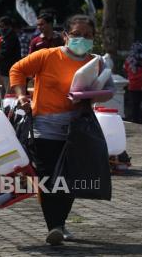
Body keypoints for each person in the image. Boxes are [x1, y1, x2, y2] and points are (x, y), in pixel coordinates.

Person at [10, 14, 115, 245]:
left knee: (70, 178)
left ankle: (61, 222)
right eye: (77, 35)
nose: (82, 39)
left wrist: (93, 97)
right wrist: (21, 96)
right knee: (49, 177)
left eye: (87, 36)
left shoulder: (96, 63)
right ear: (65, 36)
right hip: (44, 127)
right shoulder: (47, 56)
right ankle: (54, 226)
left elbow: (106, 90)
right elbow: (17, 70)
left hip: (77, 129)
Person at [0, 16, 21, 109]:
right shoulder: (3, 38)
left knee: (9, 98)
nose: (0, 29)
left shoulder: (12, 38)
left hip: (9, 72)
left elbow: (4, 54)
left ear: (9, 26)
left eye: (2, 26)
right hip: (0, 71)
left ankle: (7, 117)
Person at [124, 42, 142, 123]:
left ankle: (135, 121)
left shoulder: (128, 60)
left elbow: (126, 69)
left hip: (132, 86)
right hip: (140, 85)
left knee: (135, 105)